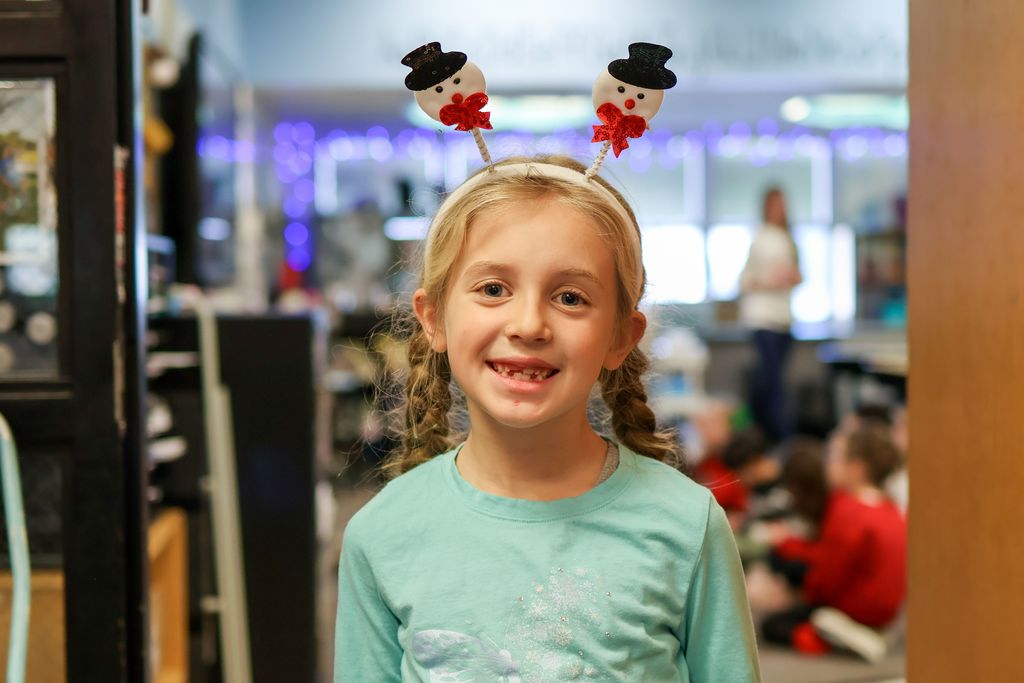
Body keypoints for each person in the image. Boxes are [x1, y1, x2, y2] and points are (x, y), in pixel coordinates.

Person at [334, 155, 760, 681]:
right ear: (434, 318)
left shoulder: (687, 526)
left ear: (620, 337)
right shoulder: (382, 534)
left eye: (569, 297)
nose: (529, 324)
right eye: (493, 289)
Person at [761, 422, 906, 662]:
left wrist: (797, 593)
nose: (827, 465)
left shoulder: (847, 508)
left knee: (772, 624)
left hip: (854, 611)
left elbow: (825, 580)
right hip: (886, 613)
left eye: (835, 457)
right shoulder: (890, 507)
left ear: (857, 468)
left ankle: (830, 636)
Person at [739, 186, 802, 444]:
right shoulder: (761, 238)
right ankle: (782, 439)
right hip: (762, 319)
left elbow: (797, 275)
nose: (781, 209)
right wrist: (772, 281)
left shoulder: (788, 238)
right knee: (773, 383)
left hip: (783, 319)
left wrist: (791, 278)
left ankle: (757, 431)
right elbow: (746, 281)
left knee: (770, 381)